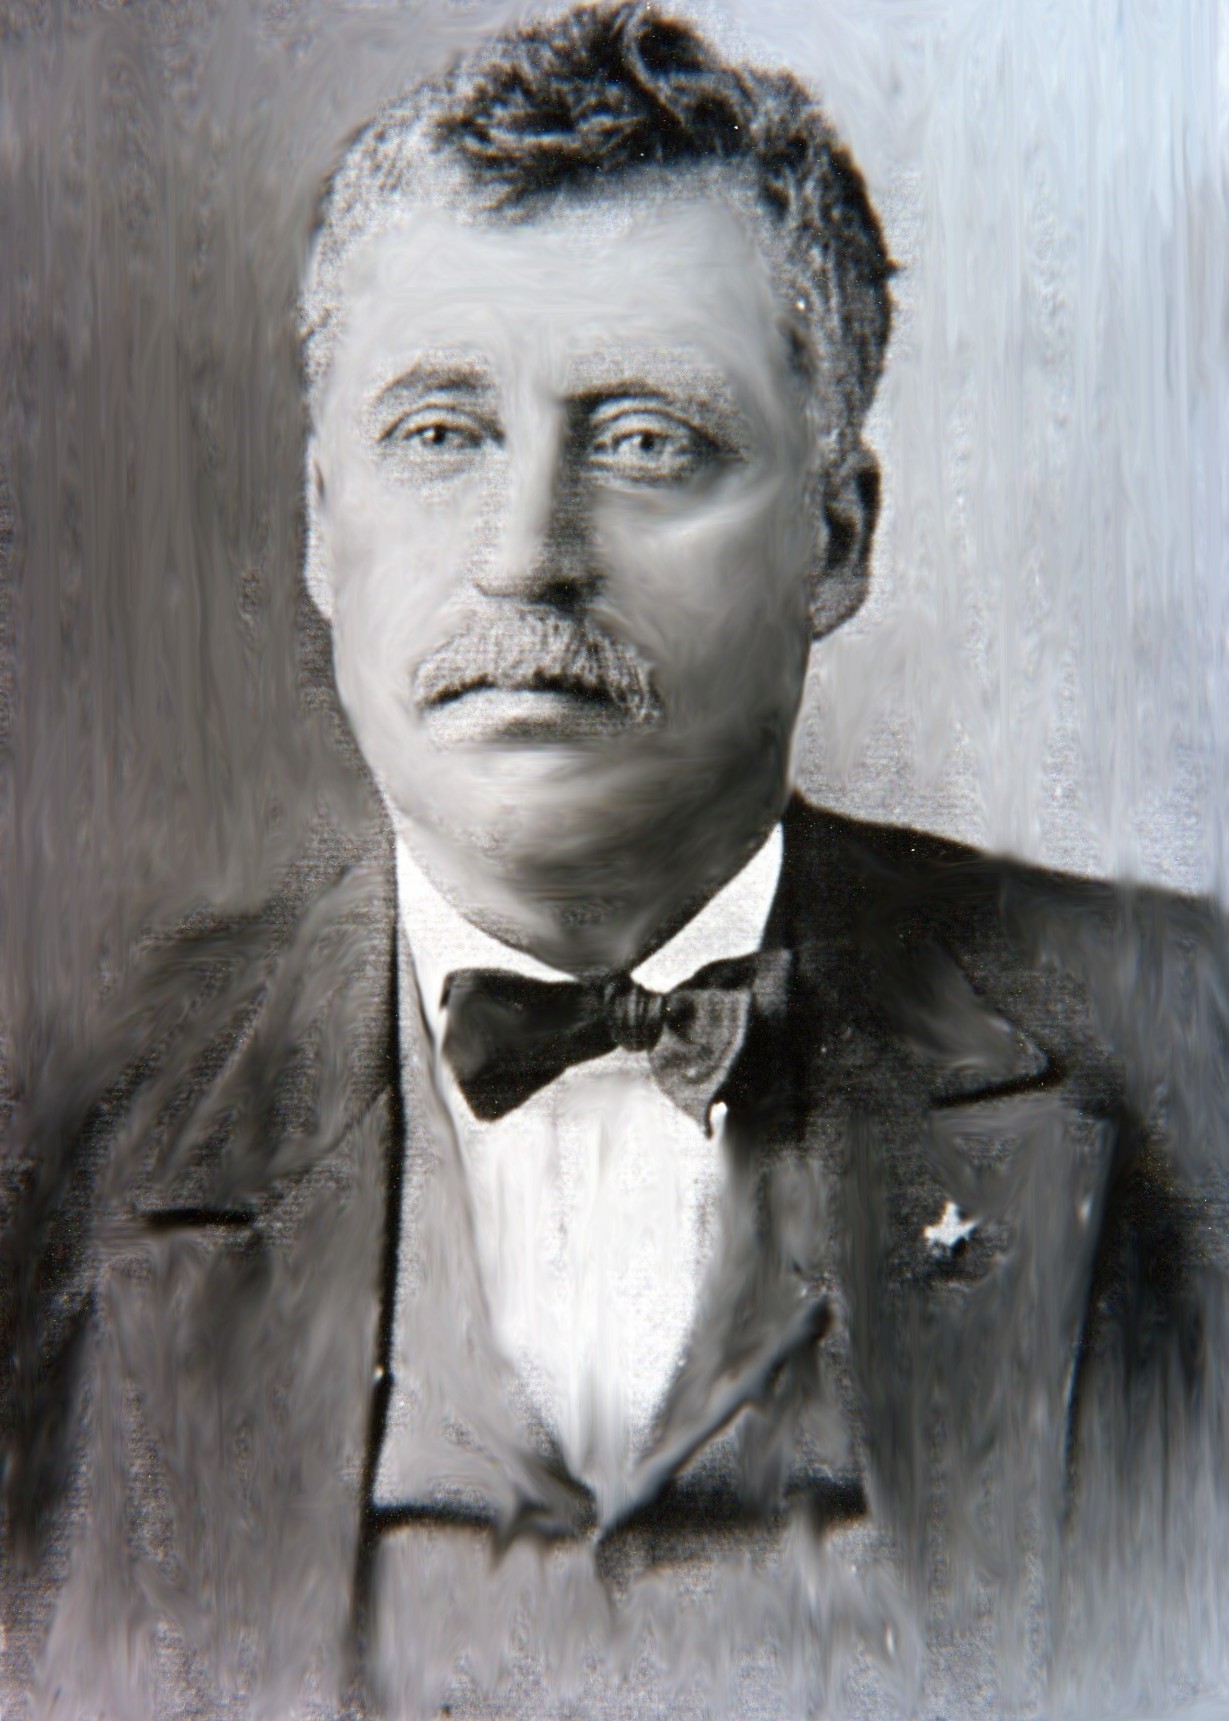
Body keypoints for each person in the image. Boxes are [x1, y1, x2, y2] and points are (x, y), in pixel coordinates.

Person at [4, 5, 1227, 1718]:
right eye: (440, 434)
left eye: (647, 439)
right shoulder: (66, 1144)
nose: (524, 553)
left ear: (836, 538)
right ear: (321, 525)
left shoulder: (1187, 1058)